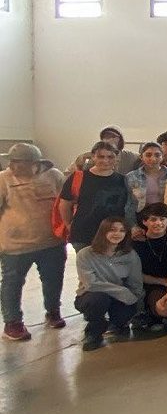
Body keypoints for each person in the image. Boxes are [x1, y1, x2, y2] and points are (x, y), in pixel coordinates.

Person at [0, 143, 68, 340]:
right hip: (15, 246)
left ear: (35, 163)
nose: (13, 166)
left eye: (18, 162)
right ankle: (12, 322)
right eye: (11, 161)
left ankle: (53, 311)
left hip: (51, 242)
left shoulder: (53, 176)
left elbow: (65, 203)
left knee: (53, 279)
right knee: (12, 283)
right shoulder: (4, 179)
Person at [74, 217, 143, 351]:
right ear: (103, 231)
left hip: (118, 299)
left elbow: (136, 282)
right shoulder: (85, 254)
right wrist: (122, 292)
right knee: (98, 299)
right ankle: (93, 333)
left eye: (122, 230)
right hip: (91, 296)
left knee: (123, 314)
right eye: (112, 230)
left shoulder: (130, 255)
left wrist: (135, 301)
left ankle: (117, 323)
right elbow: (91, 284)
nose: (117, 234)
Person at [59, 141, 133, 252]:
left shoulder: (123, 180)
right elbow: (64, 204)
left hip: (114, 235)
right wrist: (69, 225)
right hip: (84, 234)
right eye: (101, 156)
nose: (105, 160)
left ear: (117, 158)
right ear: (93, 157)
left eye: (110, 156)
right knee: (88, 268)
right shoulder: (78, 177)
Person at [132, 203, 167, 331]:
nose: (158, 223)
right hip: (153, 285)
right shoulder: (137, 243)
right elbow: (137, 275)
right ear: (145, 222)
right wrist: (163, 282)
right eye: (153, 219)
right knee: (163, 308)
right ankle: (157, 314)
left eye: (162, 219)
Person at [125, 142, 167, 213]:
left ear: (162, 157)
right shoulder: (131, 177)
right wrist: (133, 224)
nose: (153, 159)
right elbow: (129, 205)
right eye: (148, 155)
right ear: (141, 157)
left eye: (157, 155)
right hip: (141, 217)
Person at [68, 125, 139, 175]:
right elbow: (69, 173)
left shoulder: (130, 157)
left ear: (120, 140)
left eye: (113, 136)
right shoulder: (86, 157)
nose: (109, 139)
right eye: (106, 136)